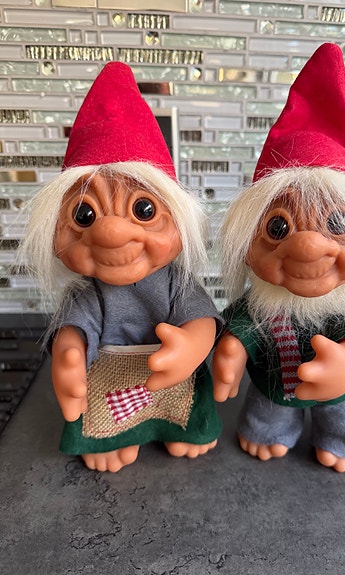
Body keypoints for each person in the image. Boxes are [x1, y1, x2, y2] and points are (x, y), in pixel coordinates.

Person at [212, 43, 345, 473]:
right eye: (278, 228)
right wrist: (231, 350)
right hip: (273, 389)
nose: (307, 247)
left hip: (341, 397)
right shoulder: (263, 302)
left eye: (337, 223)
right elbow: (242, 326)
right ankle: (268, 430)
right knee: (264, 421)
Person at [19, 62, 222, 472]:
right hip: (109, 379)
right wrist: (69, 357)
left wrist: (192, 348)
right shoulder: (88, 290)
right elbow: (75, 329)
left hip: (170, 382)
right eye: (85, 215)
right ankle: (109, 438)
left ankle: (181, 431)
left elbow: (202, 319)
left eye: (143, 210)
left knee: (183, 420)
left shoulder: (175, 281)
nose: (111, 233)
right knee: (104, 428)